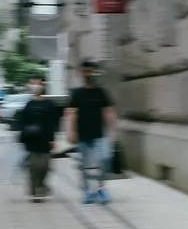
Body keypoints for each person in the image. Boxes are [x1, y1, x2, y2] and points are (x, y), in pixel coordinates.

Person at [65, 60, 117, 204]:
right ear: (81, 73)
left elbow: (109, 112)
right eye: (85, 71)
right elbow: (70, 113)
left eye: (90, 71)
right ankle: (88, 191)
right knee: (86, 165)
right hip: (82, 134)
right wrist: (70, 131)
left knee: (104, 159)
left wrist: (112, 131)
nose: (87, 74)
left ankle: (101, 189)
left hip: (100, 134)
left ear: (94, 72)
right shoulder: (77, 93)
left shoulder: (101, 92)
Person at [19, 76, 59, 201]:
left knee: (45, 166)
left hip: (45, 139)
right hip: (32, 140)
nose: (35, 86)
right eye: (32, 83)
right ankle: (36, 190)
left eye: (38, 83)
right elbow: (23, 122)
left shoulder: (49, 104)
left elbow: (53, 123)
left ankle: (41, 185)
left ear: (43, 86)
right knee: (33, 166)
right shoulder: (28, 104)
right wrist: (23, 136)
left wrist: (52, 139)